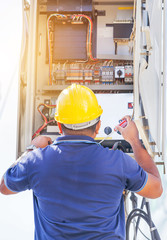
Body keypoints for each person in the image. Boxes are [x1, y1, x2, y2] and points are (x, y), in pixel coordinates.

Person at [0, 84, 162, 240]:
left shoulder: (36, 161)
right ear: (98, 126)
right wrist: (134, 140)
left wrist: (32, 148)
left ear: (58, 124)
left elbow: (4, 187)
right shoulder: (118, 162)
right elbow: (156, 189)